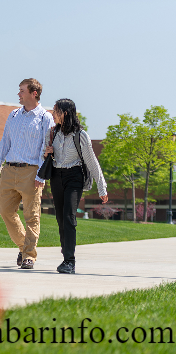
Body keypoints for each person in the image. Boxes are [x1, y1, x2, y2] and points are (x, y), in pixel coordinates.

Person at [0, 78, 55, 270]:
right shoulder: (13, 115)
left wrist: (40, 175)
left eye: (22, 91)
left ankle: (29, 256)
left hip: (31, 171)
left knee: (32, 216)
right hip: (9, 170)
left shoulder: (45, 117)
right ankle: (23, 246)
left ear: (34, 93)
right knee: (5, 211)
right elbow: (5, 141)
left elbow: (46, 148)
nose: (18, 94)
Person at [44, 99, 107, 274]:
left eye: (55, 110)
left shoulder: (81, 135)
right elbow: (46, 155)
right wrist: (47, 152)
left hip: (74, 176)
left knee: (69, 216)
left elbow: (92, 162)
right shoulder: (53, 133)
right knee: (60, 218)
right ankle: (66, 252)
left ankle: (69, 261)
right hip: (57, 176)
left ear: (64, 113)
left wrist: (102, 188)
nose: (52, 113)